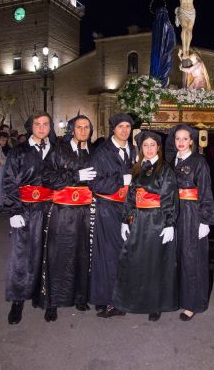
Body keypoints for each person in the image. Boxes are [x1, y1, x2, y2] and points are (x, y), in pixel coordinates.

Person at [112, 131, 178, 321]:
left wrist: (169, 223)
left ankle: (154, 304)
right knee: (130, 261)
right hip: (138, 220)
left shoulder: (165, 169)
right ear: (141, 148)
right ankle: (124, 302)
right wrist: (126, 220)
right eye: (145, 145)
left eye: (152, 145)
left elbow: (169, 198)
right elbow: (131, 198)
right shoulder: (137, 168)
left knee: (154, 263)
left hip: (155, 221)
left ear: (159, 147)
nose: (149, 149)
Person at [40, 115, 97, 322]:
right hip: (63, 211)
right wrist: (75, 176)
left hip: (85, 210)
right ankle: (53, 302)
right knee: (58, 254)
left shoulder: (93, 151)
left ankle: (80, 297)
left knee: (83, 254)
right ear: (72, 129)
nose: (83, 131)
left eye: (87, 127)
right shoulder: (58, 150)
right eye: (79, 127)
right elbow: (46, 178)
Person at [4, 111, 55, 324]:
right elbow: (8, 181)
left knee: (50, 254)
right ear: (30, 126)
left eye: (45, 124)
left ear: (50, 127)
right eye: (37, 124)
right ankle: (18, 301)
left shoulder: (56, 150)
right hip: (25, 210)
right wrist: (14, 210)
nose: (42, 128)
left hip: (51, 209)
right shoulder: (18, 151)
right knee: (22, 256)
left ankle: (49, 300)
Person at [166, 124, 214, 321]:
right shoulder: (170, 161)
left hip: (192, 215)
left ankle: (193, 303)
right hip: (174, 213)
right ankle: (178, 297)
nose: (181, 142)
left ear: (192, 141)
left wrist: (205, 220)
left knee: (192, 259)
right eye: (178, 138)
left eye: (185, 139)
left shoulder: (199, 162)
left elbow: (206, 192)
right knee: (176, 258)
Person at [90, 113, 136, 317]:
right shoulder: (102, 152)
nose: (124, 130)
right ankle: (109, 300)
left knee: (124, 253)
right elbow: (95, 184)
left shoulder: (134, 150)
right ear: (113, 129)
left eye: (127, 126)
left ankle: (120, 296)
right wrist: (121, 180)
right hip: (108, 208)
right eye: (121, 126)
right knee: (109, 255)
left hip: (128, 208)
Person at [149, 0, 176, 87]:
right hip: (164, 53)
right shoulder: (165, 23)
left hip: (160, 54)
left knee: (161, 67)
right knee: (164, 67)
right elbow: (172, 40)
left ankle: (157, 87)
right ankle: (159, 87)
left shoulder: (156, 24)